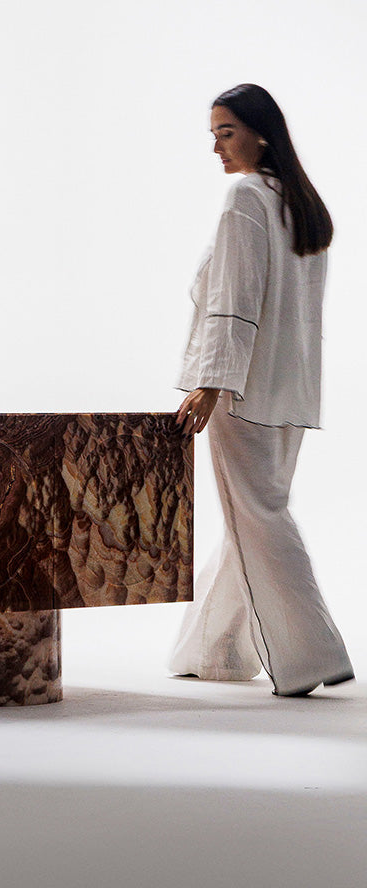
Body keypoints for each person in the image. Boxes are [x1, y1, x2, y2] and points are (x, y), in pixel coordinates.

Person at [169, 83, 355, 697]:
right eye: (213, 135)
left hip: (242, 392)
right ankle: (215, 650)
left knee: (259, 518)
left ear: (262, 134)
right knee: (250, 519)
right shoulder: (300, 206)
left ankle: (313, 654)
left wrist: (211, 384)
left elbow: (235, 300)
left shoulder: (247, 197)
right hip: (290, 393)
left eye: (226, 133)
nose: (217, 148)